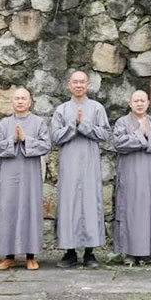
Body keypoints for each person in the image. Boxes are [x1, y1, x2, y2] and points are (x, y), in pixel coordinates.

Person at [51, 70, 111, 268]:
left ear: (88, 85)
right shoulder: (61, 109)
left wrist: (84, 125)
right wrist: (72, 124)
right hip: (69, 164)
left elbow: (104, 133)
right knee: (68, 203)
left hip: (89, 164)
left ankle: (89, 252)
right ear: (69, 85)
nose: (78, 85)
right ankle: (69, 251)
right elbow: (55, 136)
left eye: (82, 82)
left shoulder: (96, 108)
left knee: (89, 204)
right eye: (75, 82)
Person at [0, 87, 51, 271]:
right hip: (9, 174)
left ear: (30, 102)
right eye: (17, 98)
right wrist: (13, 140)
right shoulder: (3, 124)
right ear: (12, 102)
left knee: (29, 209)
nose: (20, 101)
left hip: (30, 174)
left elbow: (45, 145)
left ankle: (30, 256)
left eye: (24, 98)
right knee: (8, 209)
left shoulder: (38, 122)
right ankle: (8, 256)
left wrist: (25, 139)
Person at [113, 90, 151, 265]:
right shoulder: (122, 122)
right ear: (130, 103)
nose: (139, 104)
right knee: (130, 210)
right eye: (136, 101)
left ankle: (148, 250)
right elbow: (119, 143)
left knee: (150, 210)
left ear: (148, 103)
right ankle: (129, 252)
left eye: (142, 100)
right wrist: (141, 135)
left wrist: (148, 136)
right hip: (130, 174)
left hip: (150, 176)